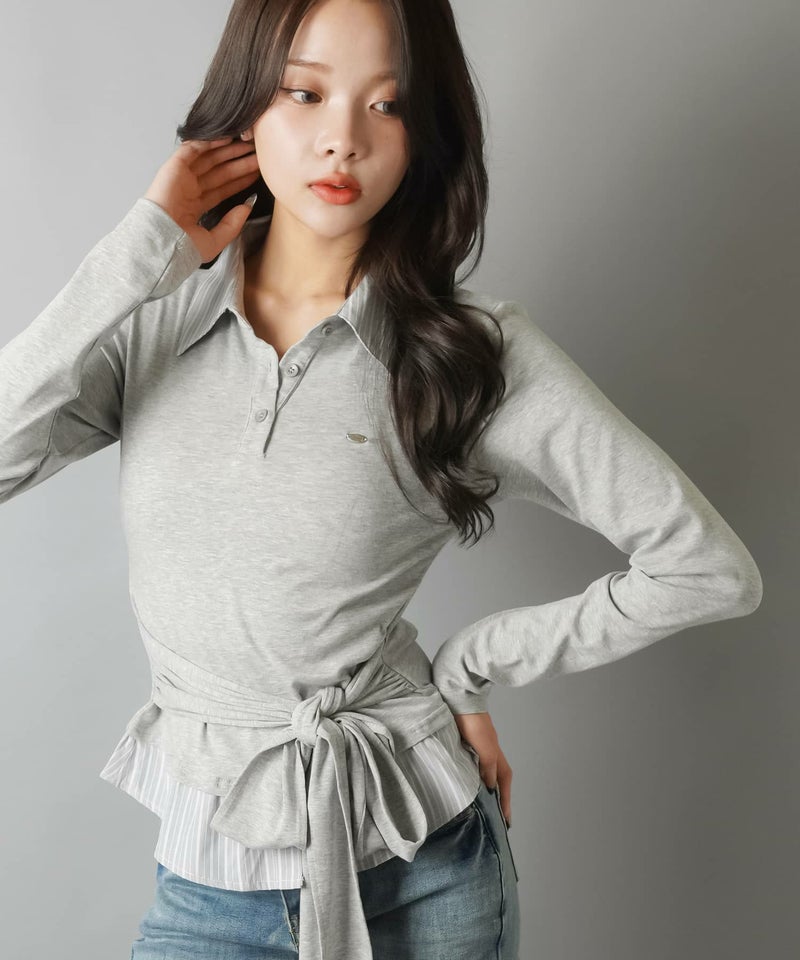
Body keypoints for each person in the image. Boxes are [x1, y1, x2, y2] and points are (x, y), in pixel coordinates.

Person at [0, 0, 762, 957]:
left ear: (423, 136)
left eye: (388, 105)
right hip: (206, 890)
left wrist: (472, 665)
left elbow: (707, 569)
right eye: (304, 92)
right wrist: (137, 251)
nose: (343, 140)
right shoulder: (151, 325)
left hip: (420, 869)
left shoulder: (468, 355)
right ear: (245, 107)